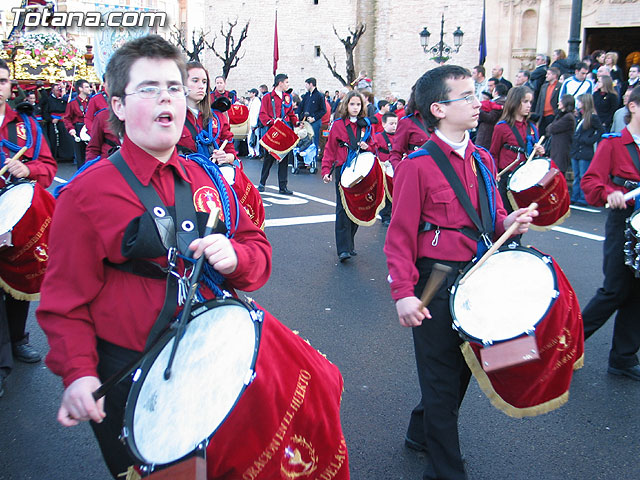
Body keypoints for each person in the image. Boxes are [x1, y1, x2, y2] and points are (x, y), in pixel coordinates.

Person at [36, 35, 272, 478]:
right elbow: (63, 301)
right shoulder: (86, 193)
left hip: (210, 357)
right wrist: (80, 373)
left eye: (174, 87)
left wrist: (235, 257)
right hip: (133, 372)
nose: (166, 96)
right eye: (148, 88)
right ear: (118, 107)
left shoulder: (210, 178)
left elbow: (258, 254)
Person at [384, 65, 537, 480]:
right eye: (466, 96)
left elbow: (493, 216)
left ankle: (421, 431)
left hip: (480, 280)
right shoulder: (416, 166)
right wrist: (402, 292)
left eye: (477, 93)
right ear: (438, 109)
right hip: (434, 284)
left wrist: (511, 222)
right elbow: (398, 237)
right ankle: (445, 471)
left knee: (469, 366)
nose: (478, 103)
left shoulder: (483, 158)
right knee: (440, 379)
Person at [0, 58, 57, 396]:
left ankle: (19, 337)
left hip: (19, 216)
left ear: (10, 86)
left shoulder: (26, 127)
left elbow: (48, 166)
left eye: (3, 80)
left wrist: (29, 169)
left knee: (17, 281)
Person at [580, 86, 640, 381]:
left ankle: (623, 357)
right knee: (615, 290)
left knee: (638, 292)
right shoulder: (613, 143)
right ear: (633, 106)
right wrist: (612, 193)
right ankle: (566, 346)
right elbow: (591, 184)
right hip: (623, 224)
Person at [321, 90, 375, 262]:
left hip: (361, 170)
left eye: (358, 104)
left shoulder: (366, 125)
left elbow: (374, 146)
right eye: (352, 104)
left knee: (357, 207)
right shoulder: (338, 125)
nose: (355, 107)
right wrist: (325, 170)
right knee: (342, 208)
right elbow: (330, 149)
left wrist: (368, 146)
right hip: (343, 169)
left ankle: (350, 243)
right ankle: (343, 248)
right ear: (346, 105)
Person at [490, 86, 544, 215]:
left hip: (525, 178)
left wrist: (539, 151)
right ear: (515, 102)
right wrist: (494, 174)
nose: (529, 105)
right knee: (507, 217)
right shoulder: (502, 127)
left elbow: (534, 153)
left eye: (530, 102)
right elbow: (493, 153)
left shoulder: (531, 127)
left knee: (522, 218)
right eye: (525, 101)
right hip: (507, 179)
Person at [257, 73, 298, 194]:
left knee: (284, 158)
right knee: (269, 159)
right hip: (273, 131)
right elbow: (262, 114)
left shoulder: (288, 97)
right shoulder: (267, 97)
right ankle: (262, 183)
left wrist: (297, 123)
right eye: (286, 82)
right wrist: (272, 121)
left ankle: (282, 187)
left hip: (285, 131)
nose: (288, 85)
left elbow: (290, 113)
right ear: (280, 83)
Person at [570, 93, 604, 206]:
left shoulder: (592, 117)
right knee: (576, 175)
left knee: (583, 175)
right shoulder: (580, 116)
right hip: (576, 150)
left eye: (579, 102)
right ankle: (575, 196)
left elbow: (601, 131)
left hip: (585, 150)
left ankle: (583, 198)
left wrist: (590, 139)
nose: (578, 104)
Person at [389, 86, 430, 169]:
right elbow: (396, 154)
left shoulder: (442, 121)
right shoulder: (407, 122)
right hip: (418, 173)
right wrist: (401, 173)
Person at [374, 111, 398, 225]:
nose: (394, 126)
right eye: (391, 123)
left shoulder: (400, 137)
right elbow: (372, 151)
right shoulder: (378, 137)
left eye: (395, 123)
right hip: (384, 169)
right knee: (386, 194)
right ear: (383, 124)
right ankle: (386, 216)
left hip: (397, 168)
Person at [63, 79, 91, 169]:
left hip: (90, 128)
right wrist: (71, 129)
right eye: (86, 87)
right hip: (79, 128)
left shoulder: (92, 101)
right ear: (80, 89)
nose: (89, 89)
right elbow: (67, 118)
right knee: (80, 155)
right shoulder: (73, 103)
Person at [546, 94, 576, 175]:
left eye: (561, 101)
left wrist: (550, 127)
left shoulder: (568, 118)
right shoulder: (561, 116)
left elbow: (552, 128)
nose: (558, 103)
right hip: (556, 150)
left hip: (561, 151)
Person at [475, 83, 507, 149]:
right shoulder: (499, 101)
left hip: (487, 133)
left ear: (496, 92)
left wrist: (479, 111)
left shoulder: (500, 102)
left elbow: (491, 118)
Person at [297, 77, 326, 149]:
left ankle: (314, 158)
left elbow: (323, 110)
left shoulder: (319, 96)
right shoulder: (306, 95)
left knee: (314, 140)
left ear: (311, 84)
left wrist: (314, 118)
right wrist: (298, 115)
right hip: (305, 121)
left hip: (315, 122)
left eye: (306, 84)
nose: (305, 86)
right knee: (306, 140)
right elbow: (301, 106)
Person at [534, 67, 562, 137]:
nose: (546, 75)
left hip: (552, 114)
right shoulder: (544, 86)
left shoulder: (560, 86)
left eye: (549, 74)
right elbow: (539, 101)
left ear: (555, 75)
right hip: (542, 115)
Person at [246, 88, 262, 158]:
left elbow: (256, 113)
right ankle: (251, 152)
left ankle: (256, 152)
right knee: (250, 137)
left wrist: (254, 124)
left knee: (254, 137)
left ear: (254, 93)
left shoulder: (257, 101)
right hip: (249, 122)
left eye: (250, 92)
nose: (249, 94)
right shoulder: (251, 101)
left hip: (253, 123)